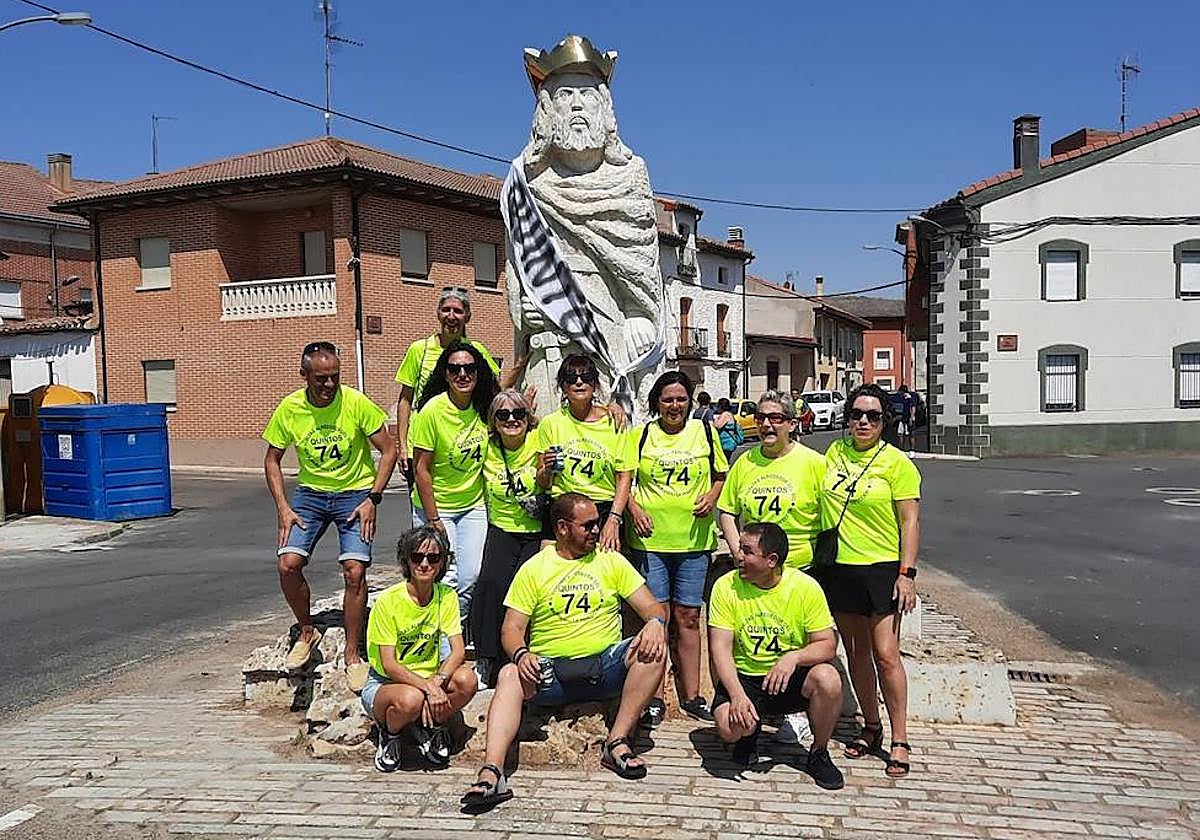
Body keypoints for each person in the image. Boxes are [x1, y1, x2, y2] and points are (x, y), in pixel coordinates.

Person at [460, 493, 668, 810]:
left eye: (597, 524)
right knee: (508, 673)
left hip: (604, 665)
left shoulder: (610, 560)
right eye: (587, 526)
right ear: (562, 528)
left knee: (653, 650)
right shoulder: (535, 568)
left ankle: (617, 741)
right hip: (549, 672)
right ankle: (493, 772)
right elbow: (511, 629)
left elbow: (653, 607)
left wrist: (655, 622)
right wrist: (520, 655)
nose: (596, 531)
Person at [263, 341, 398, 693]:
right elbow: (272, 460)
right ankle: (307, 630)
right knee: (288, 564)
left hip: (355, 494)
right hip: (310, 495)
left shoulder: (355, 403)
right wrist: (283, 508)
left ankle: (353, 653)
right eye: (321, 378)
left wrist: (374, 497)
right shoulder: (290, 409)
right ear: (304, 375)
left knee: (354, 571)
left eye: (335, 377)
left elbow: (389, 449)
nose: (329, 385)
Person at [817, 382, 921, 778]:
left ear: (884, 421)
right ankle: (871, 725)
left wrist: (906, 574)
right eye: (857, 414)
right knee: (856, 651)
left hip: (881, 567)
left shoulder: (896, 464)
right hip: (840, 566)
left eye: (873, 416)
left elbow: (910, 520)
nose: (863, 421)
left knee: (886, 654)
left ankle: (900, 737)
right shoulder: (834, 453)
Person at [716, 389, 825, 744]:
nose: (766, 424)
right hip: (752, 570)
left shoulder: (813, 463)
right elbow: (728, 510)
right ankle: (751, 713)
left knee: (795, 644)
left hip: (800, 570)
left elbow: (830, 518)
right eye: (761, 416)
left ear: (792, 425)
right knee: (756, 641)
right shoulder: (745, 463)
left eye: (776, 418)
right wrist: (737, 551)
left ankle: (798, 714)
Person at [624, 371, 728, 723]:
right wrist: (633, 509)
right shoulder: (641, 436)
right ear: (657, 402)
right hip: (651, 541)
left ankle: (692, 694)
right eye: (667, 399)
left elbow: (720, 474)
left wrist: (713, 496)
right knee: (656, 617)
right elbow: (623, 481)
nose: (674, 405)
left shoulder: (704, 432)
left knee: (688, 617)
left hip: (693, 541)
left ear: (690, 401)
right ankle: (653, 696)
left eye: (681, 399)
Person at [708, 522, 845, 789]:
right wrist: (736, 695)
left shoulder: (805, 588)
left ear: (771, 560)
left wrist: (793, 658)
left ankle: (819, 753)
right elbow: (720, 649)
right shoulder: (726, 586)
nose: (739, 556)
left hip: (788, 679)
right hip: (746, 678)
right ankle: (749, 735)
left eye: (747, 551)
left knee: (828, 678)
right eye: (739, 548)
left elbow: (827, 645)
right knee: (728, 727)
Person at [363, 525, 478, 772]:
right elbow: (389, 663)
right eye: (417, 557)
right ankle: (391, 734)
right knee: (411, 698)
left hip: (430, 678)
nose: (425, 564)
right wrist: (428, 689)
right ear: (406, 560)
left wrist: (437, 682)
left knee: (467, 680)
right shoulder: (388, 601)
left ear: (441, 563)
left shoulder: (446, 596)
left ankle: (432, 725)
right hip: (387, 684)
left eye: (433, 558)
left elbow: (458, 650)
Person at [409, 341, 499, 627]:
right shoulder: (431, 412)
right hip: (436, 507)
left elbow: (515, 419)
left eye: (469, 368)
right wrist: (434, 519)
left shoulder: (485, 406)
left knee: (471, 575)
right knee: (441, 573)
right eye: (454, 369)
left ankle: (455, 632)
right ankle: (440, 638)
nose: (463, 374)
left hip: (472, 505)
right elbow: (421, 469)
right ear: (445, 373)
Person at [471, 389, 550, 687]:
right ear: (493, 421)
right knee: (490, 584)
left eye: (518, 413)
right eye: (503, 415)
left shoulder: (538, 439)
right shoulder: (486, 447)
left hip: (535, 530)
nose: (512, 419)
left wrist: (611, 409)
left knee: (526, 592)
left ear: (528, 418)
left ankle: (524, 656)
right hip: (502, 527)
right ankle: (486, 657)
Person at [393, 288, 500, 493]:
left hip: (463, 444)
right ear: (438, 313)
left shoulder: (476, 350)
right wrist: (403, 446)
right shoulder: (420, 349)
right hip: (422, 443)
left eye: (458, 311)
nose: (451, 316)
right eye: (446, 310)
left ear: (467, 316)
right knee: (423, 508)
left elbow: (494, 392)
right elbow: (405, 400)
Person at [535, 354, 633, 551]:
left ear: (595, 384)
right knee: (554, 573)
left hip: (602, 509)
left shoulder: (616, 422)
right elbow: (543, 483)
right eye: (571, 378)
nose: (579, 382)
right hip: (563, 506)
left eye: (586, 377)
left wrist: (614, 519)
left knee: (605, 575)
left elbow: (624, 477)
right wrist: (546, 469)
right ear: (563, 387)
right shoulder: (550, 423)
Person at [713, 397, 742, 462]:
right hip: (729, 442)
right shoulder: (730, 414)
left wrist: (716, 419)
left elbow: (717, 426)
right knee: (725, 461)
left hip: (726, 443)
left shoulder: (725, 415)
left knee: (723, 462)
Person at [896, 384, 915, 452]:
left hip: (908, 418)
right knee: (900, 434)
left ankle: (911, 450)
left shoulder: (910, 398)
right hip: (902, 419)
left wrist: (911, 417)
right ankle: (902, 449)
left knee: (910, 434)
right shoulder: (901, 398)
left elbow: (913, 408)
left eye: (900, 392)